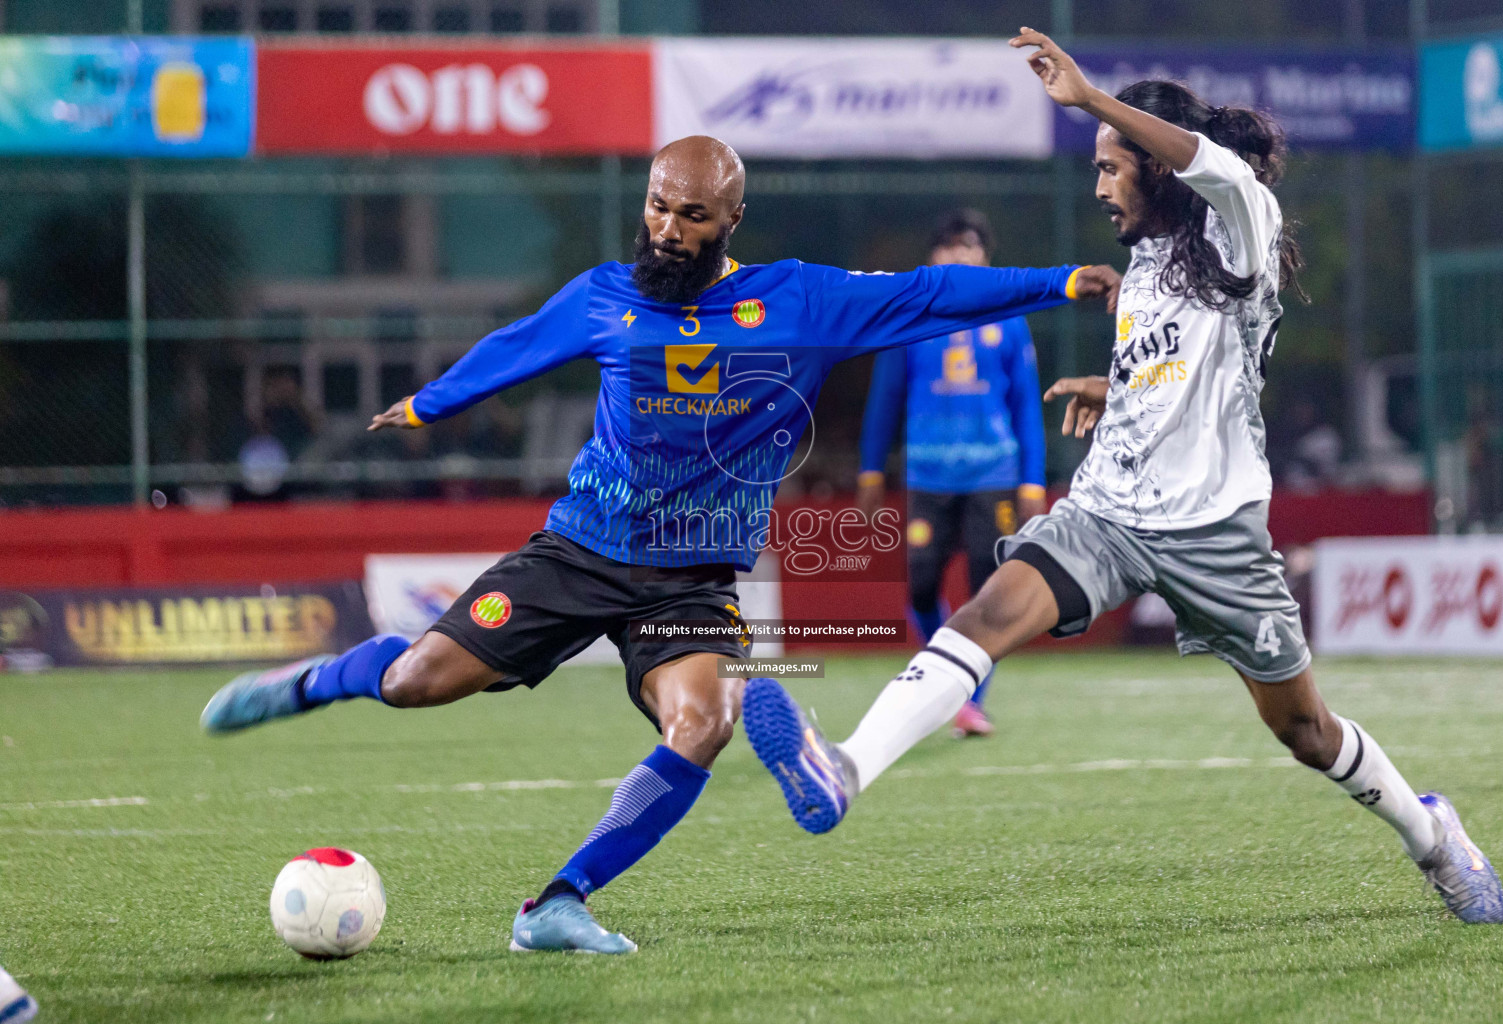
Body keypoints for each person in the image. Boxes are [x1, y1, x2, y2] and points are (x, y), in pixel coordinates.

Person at [199, 134, 1120, 954]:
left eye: (691, 214)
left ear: (730, 220)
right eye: (656, 205)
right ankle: (315, 682)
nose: (668, 228)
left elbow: (930, 293)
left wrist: (1057, 282)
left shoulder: (798, 301)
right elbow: (518, 344)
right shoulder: (606, 296)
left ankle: (558, 902)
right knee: (414, 684)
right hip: (578, 554)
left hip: (692, 582)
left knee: (706, 722)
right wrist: (431, 401)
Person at [742, 31, 1503, 926]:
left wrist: (1093, 100)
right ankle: (844, 769)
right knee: (984, 612)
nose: (1100, 186)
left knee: (1305, 731)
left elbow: (1216, 174)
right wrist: (1117, 387)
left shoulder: (1240, 220)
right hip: (1107, 509)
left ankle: (1433, 836)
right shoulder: (1143, 263)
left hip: (1215, 528)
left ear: (1159, 164)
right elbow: (1194, 363)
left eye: (1113, 167)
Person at [857, 209, 1055, 738]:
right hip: (928, 478)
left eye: (969, 246)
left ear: (986, 259)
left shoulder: (1010, 318)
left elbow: (1026, 409)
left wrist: (1032, 480)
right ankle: (943, 677)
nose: (958, 255)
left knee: (986, 593)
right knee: (920, 587)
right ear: (932, 258)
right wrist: (871, 473)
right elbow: (884, 401)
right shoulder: (911, 319)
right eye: (947, 246)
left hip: (994, 476)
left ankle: (969, 701)